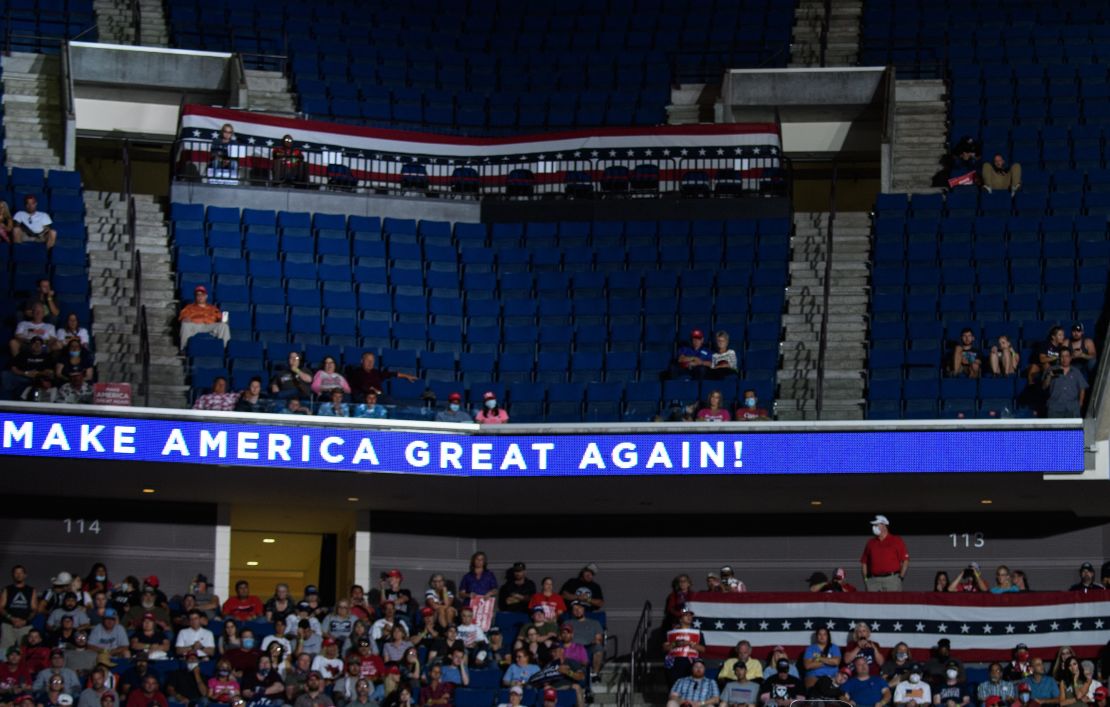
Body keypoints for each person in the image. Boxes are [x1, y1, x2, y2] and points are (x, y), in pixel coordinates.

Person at [860, 515, 909, 592]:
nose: (874, 527)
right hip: (873, 582)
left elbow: (905, 561)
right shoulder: (871, 543)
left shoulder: (896, 541)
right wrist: (866, 580)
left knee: (893, 603)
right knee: (872, 603)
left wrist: (900, 578)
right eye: (874, 525)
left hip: (892, 581)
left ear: (884, 525)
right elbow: (864, 563)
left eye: (876, 525)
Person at [0, 566, 39, 654]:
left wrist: (24, 621)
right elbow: (1, 607)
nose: (18, 575)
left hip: (25, 625)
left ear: (25, 575)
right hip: (8, 624)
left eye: (21, 573)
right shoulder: (7, 589)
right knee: (4, 651)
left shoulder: (31, 590)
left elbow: (34, 609)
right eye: (16, 573)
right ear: (12, 575)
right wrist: (11, 618)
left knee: (25, 651)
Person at [346, 353, 417, 399]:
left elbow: (392, 374)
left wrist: (407, 376)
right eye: (368, 360)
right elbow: (362, 384)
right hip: (364, 397)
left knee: (389, 401)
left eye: (372, 361)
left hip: (378, 397)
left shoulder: (376, 372)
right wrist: (374, 390)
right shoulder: (356, 372)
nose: (370, 363)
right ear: (362, 361)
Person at [663, 606, 703, 686]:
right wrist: (675, 644)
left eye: (690, 615)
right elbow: (665, 648)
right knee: (674, 687)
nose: (689, 617)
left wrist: (690, 643)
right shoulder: (671, 633)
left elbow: (703, 649)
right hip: (674, 664)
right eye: (686, 615)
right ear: (680, 619)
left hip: (691, 663)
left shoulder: (697, 633)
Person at [1042, 349, 1088, 418]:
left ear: (1070, 358)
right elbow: (1044, 387)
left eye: (1067, 356)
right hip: (1055, 407)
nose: (1064, 359)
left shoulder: (1076, 371)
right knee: (1055, 429)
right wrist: (1049, 376)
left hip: (1072, 408)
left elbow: (1082, 388)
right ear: (1059, 358)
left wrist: (1080, 404)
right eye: (1062, 356)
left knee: (1073, 428)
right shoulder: (1051, 370)